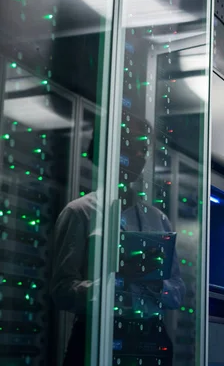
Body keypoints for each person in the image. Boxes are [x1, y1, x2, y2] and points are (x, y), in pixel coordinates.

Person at [50, 113, 185, 366]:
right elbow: (61, 292)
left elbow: (177, 293)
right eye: (129, 145)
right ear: (106, 148)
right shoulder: (80, 212)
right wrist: (117, 277)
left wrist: (154, 282)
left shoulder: (158, 219)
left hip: (150, 335)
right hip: (97, 332)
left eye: (143, 148)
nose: (138, 156)